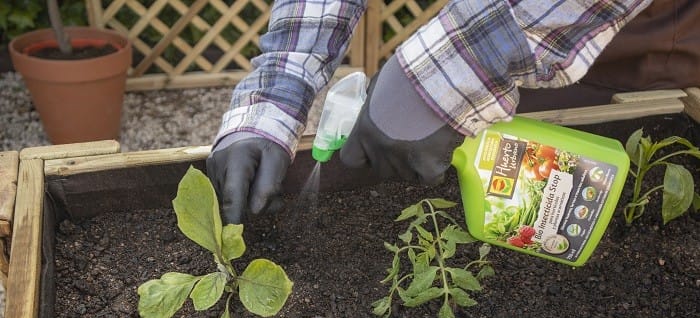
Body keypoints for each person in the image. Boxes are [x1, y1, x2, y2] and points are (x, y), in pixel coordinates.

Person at [206, 0, 659, 225]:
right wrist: (275, 98)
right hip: (517, 68)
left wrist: (440, 82)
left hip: (640, 49)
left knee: (615, 185)